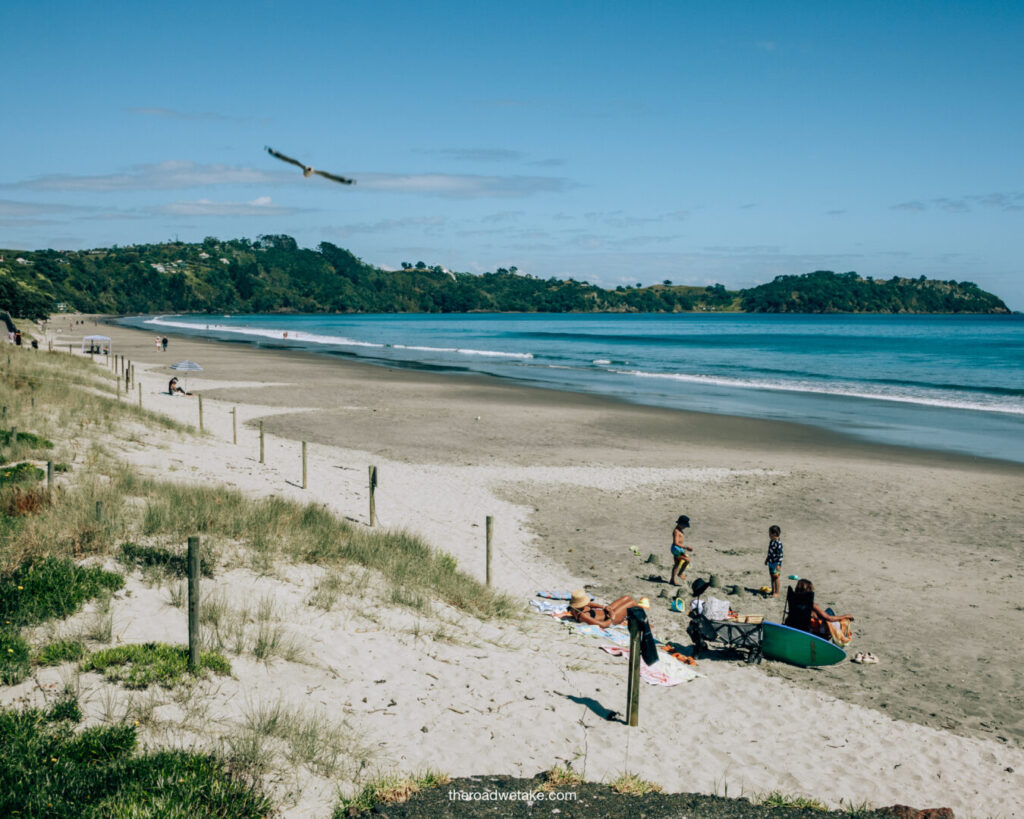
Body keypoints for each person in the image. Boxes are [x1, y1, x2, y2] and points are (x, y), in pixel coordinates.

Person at [788, 578, 854, 643]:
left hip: (794, 626)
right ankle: (839, 643)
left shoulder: (792, 600)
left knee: (826, 612)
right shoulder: (811, 604)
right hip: (813, 631)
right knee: (834, 618)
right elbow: (829, 618)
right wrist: (845, 616)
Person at [567, 590, 637, 627]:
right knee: (632, 603)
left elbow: (590, 604)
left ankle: (629, 616)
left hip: (606, 611)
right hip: (610, 619)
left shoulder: (574, 608)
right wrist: (611, 617)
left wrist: (603, 607)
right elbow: (603, 625)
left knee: (626, 598)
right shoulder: (583, 615)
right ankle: (639, 621)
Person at [670, 514, 692, 586]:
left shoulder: (680, 530)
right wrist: (686, 547)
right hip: (676, 549)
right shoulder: (676, 531)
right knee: (686, 560)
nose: (685, 527)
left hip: (679, 549)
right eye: (684, 526)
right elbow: (676, 543)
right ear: (680, 524)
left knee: (677, 564)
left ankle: (673, 579)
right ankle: (679, 574)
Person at [765, 524, 783, 597]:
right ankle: (773, 591)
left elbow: (780, 555)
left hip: (776, 563)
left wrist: (779, 564)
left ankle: (777, 593)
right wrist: (767, 559)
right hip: (771, 562)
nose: (769, 535)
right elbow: (769, 552)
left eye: (770, 533)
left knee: (776, 578)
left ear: (774, 534)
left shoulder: (778, 543)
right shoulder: (771, 541)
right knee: (772, 577)